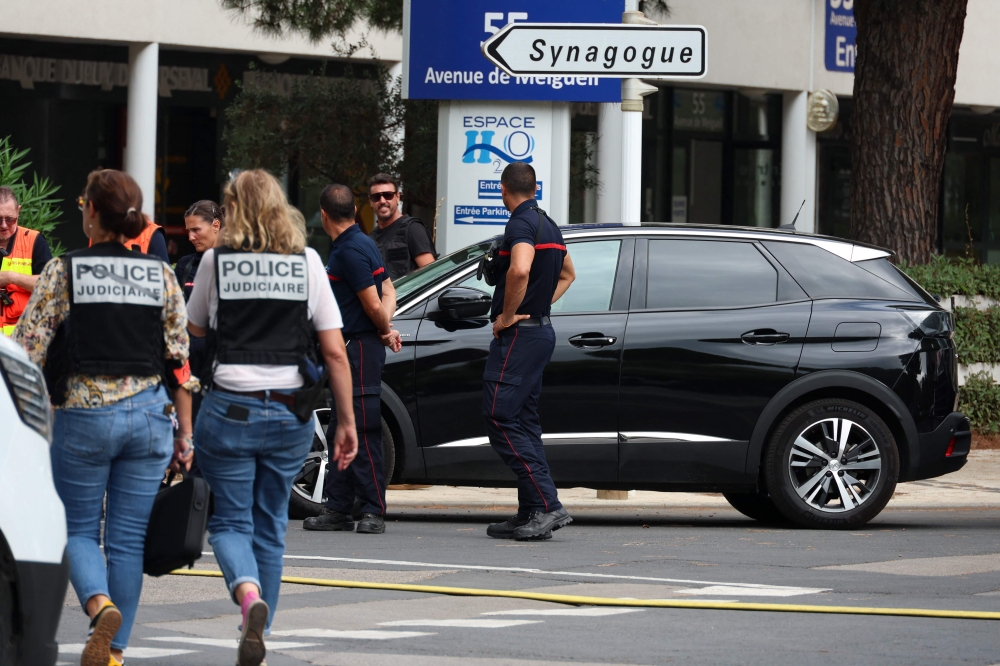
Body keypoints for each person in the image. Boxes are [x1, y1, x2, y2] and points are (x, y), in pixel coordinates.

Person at [14, 169, 195, 666]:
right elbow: (180, 362)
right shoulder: (160, 275)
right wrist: (186, 434)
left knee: (76, 529)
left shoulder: (63, 271)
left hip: (83, 416)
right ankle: (113, 655)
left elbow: (28, 350)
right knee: (128, 542)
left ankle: (99, 605)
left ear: (92, 212)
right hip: (151, 419)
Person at [186, 169, 358, 666]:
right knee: (269, 527)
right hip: (289, 414)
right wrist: (344, 421)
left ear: (232, 211)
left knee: (228, 523)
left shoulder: (215, 260)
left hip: (229, 410)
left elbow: (195, 325)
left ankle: (246, 595)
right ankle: (256, 631)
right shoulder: (307, 262)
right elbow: (335, 352)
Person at [483, 162, 576, 542]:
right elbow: (569, 273)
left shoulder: (520, 224)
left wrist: (507, 316)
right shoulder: (548, 223)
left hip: (520, 337)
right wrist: (538, 305)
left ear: (504, 189)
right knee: (524, 420)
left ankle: (548, 504)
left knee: (498, 416)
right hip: (540, 331)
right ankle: (530, 510)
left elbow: (519, 270)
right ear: (534, 188)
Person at [303, 184, 402, 535]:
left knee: (361, 429)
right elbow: (388, 291)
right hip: (356, 346)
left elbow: (374, 302)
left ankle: (373, 510)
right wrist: (386, 329)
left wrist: (382, 327)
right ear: (356, 210)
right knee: (338, 431)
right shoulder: (362, 243)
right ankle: (339, 507)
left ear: (324, 214)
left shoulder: (350, 250)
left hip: (358, 347)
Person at [0, 186, 53, 335]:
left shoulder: (34, 240)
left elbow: (49, 285)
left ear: (18, 211)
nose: (4, 225)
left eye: (10, 219)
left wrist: (11, 277)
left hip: (24, 341)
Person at [367, 173, 436, 280]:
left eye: (388, 195)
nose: (382, 201)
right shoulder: (370, 239)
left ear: (398, 197)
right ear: (371, 202)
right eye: (376, 197)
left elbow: (431, 276)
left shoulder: (413, 229)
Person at [175, 200, 224, 299]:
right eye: (188, 231)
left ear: (216, 226)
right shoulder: (184, 265)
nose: (190, 237)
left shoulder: (234, 262)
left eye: (196, 230)